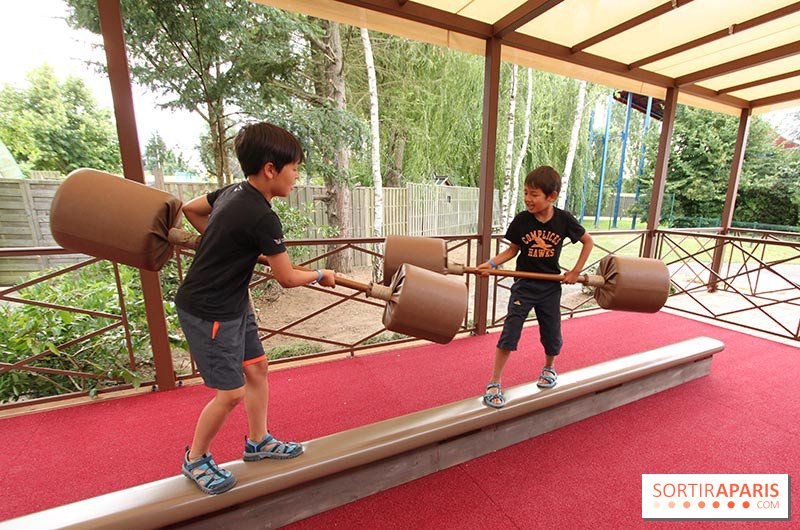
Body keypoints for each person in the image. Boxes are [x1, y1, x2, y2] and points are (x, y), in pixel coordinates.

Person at [175, 122, 336, 494]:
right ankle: (195, 458)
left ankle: (258, 441)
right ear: (270, 169)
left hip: (233, 302)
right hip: (209, 309)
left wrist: (225, 241)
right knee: (230, 392)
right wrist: (320, 273)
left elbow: (191, 209)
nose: (297, 175)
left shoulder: (234, 191)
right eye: (294, 168)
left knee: (257, 368)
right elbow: (288, 278)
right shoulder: (263, 216)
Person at [480, 165, 593, 409]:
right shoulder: (522, 220)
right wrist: (490, 263)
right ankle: (494, 381)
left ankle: (549, 368)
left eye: (534, 194)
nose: (528, 199)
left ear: (551, 196)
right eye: (526, 193)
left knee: (551, 333)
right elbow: (512, 250)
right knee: (510, 331)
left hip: (551, 287)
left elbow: (588, 241)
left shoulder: (564, 220)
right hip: (524, 285)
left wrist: (575, 271)